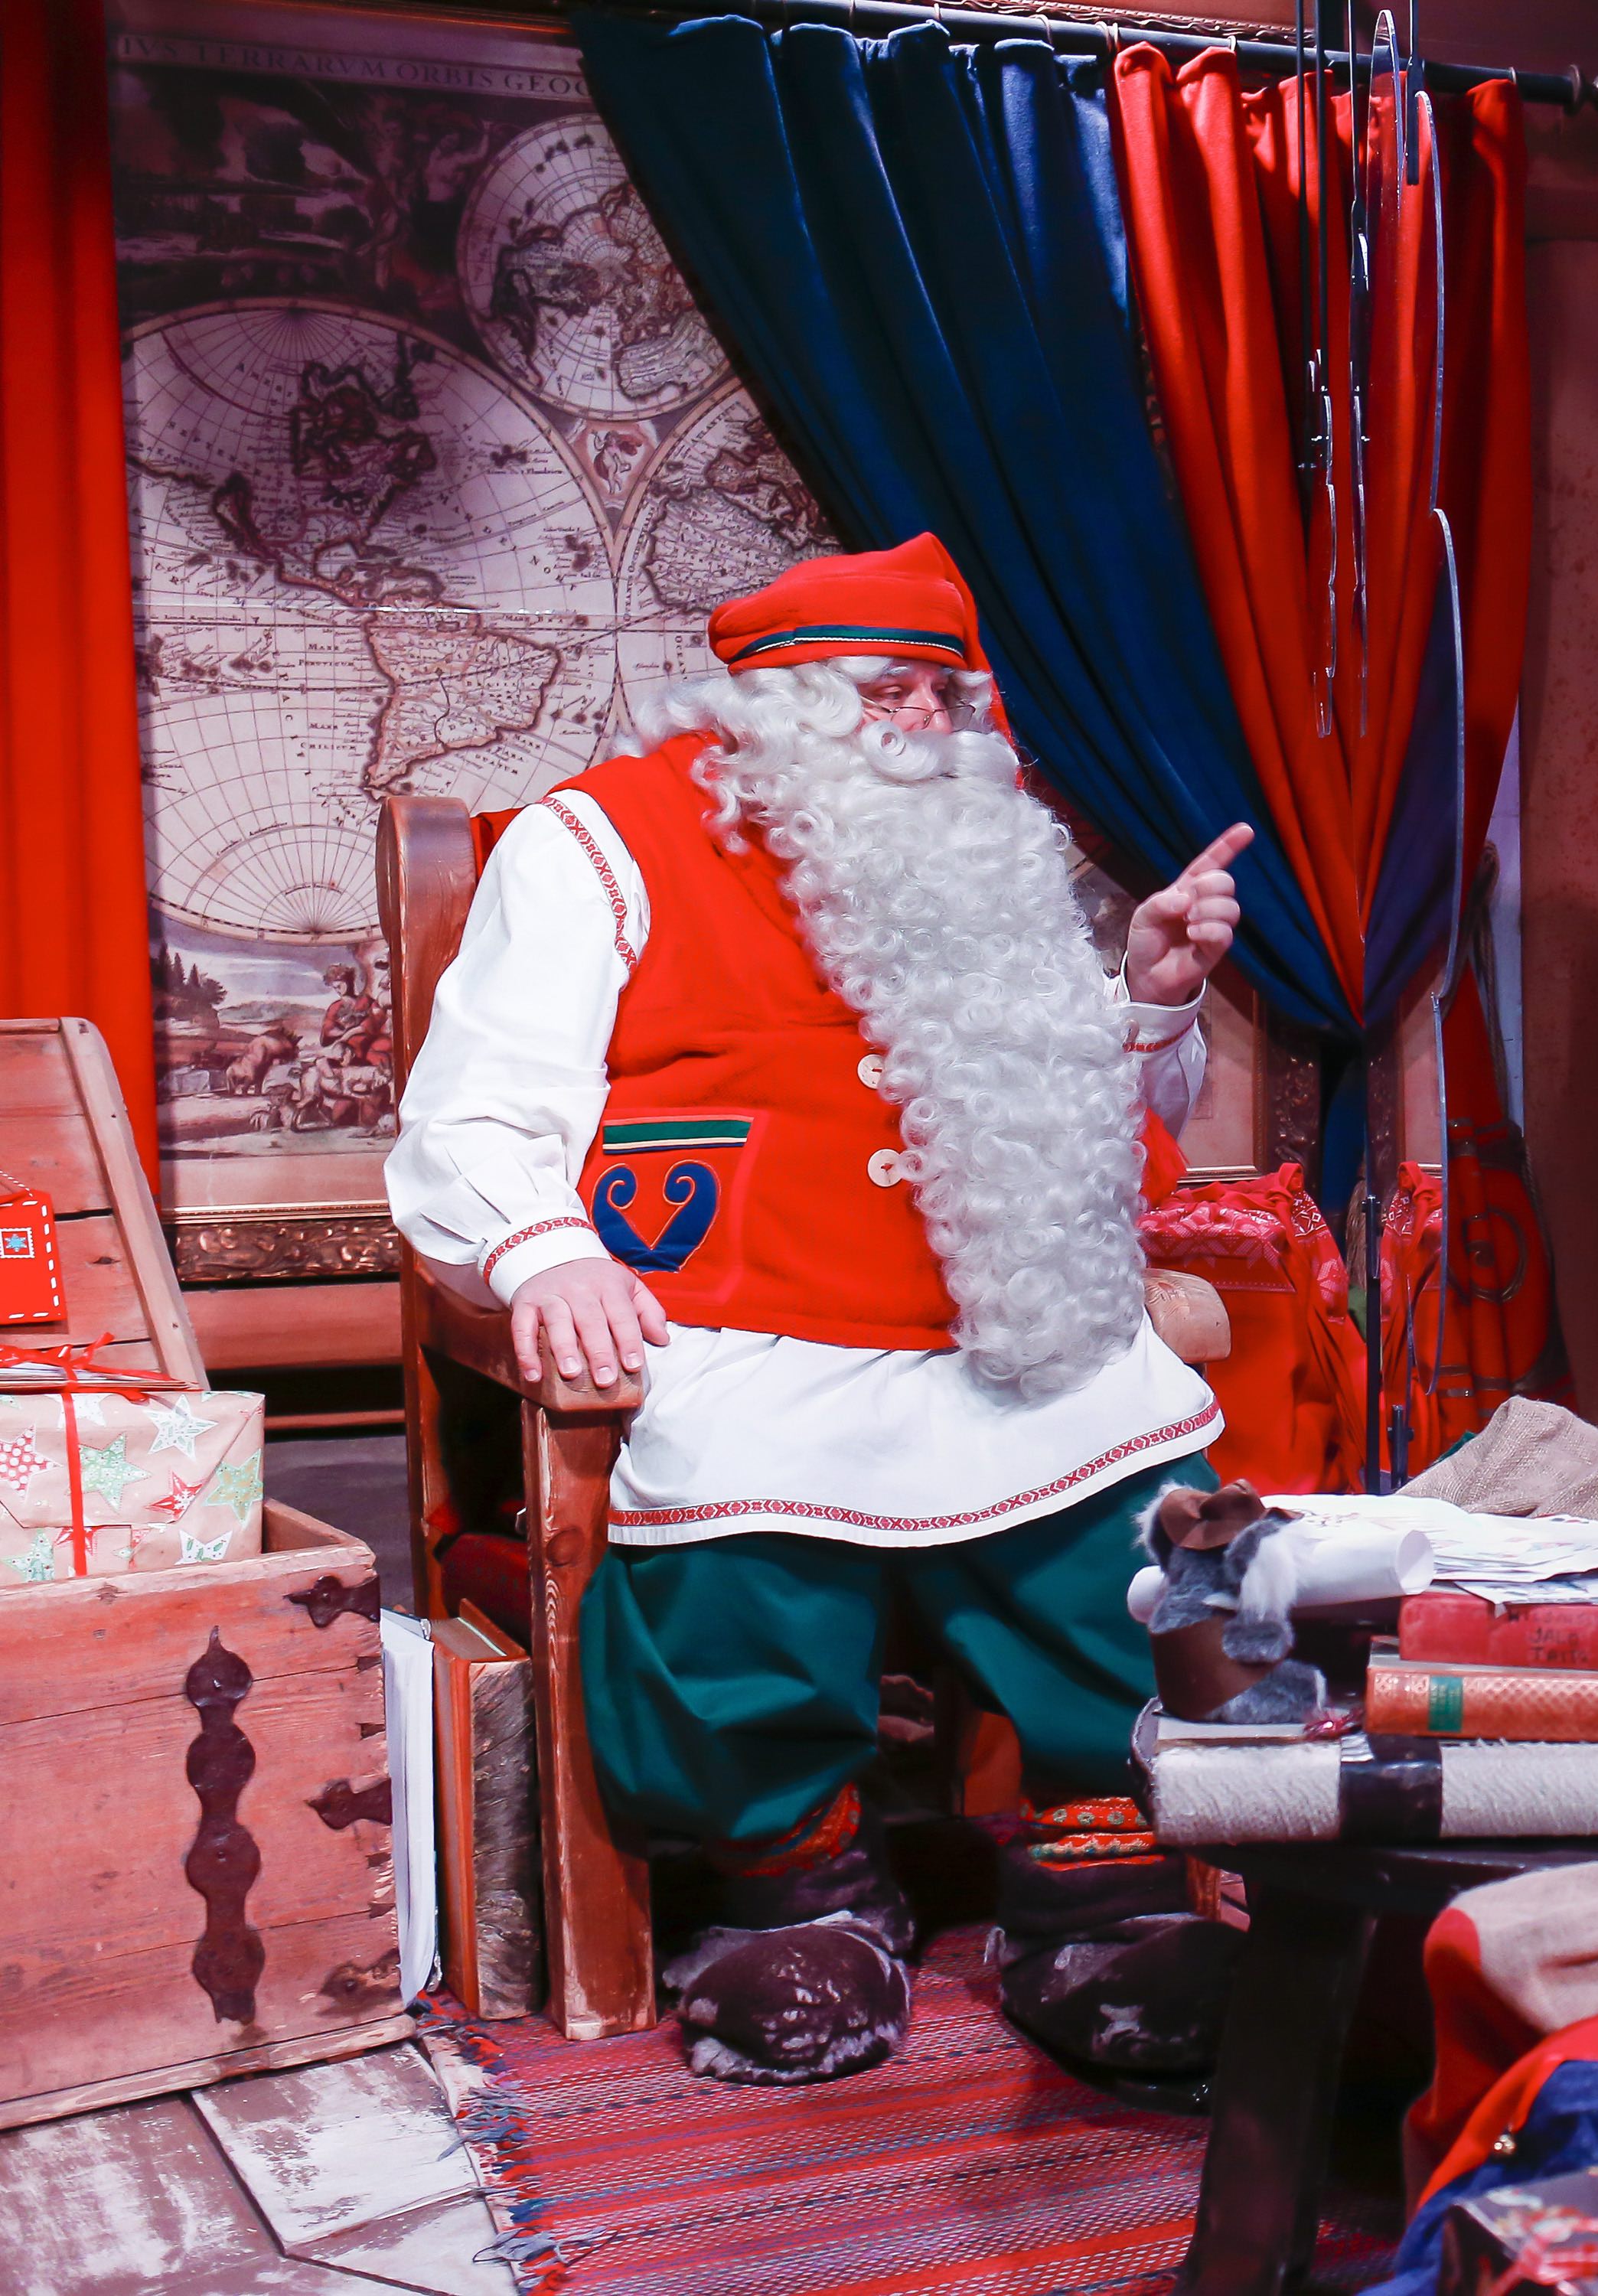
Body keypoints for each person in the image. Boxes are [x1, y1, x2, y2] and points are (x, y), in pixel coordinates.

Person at [386, 535, 1256, 2092]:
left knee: (1125, 1527)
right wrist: (543, 1251)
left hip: (996, 1312)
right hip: (746, 1321)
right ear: (771, 704)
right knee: (735, 1546)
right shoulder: (599, 842)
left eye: (945, 693)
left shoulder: (984, 853)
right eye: (887, 690)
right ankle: (795, 1886)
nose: (927, 723)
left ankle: (1098, 1885)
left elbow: (1080, 1116)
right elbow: (480, 1103)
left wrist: (1148, 999)